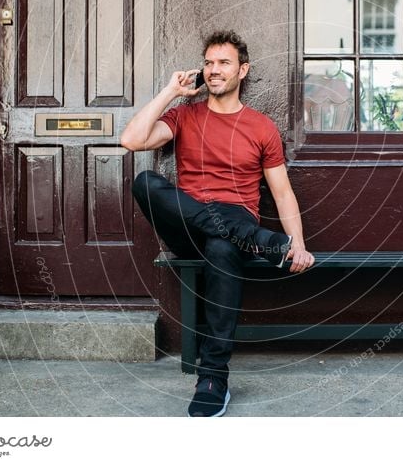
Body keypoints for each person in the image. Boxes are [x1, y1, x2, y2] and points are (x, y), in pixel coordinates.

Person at [121, 30, 315, 417]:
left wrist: (296, 244)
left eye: (223, 63)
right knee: (146, 182)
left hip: (234, 219)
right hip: (188, 223)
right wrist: (170, 93)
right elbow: (132, 139)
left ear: (242, 70)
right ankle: (256, 241)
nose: (214, 70)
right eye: (208, 63)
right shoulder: (184, 115)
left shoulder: (261, 127)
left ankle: (213, 378)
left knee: (224, 244)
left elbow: (282, 192)